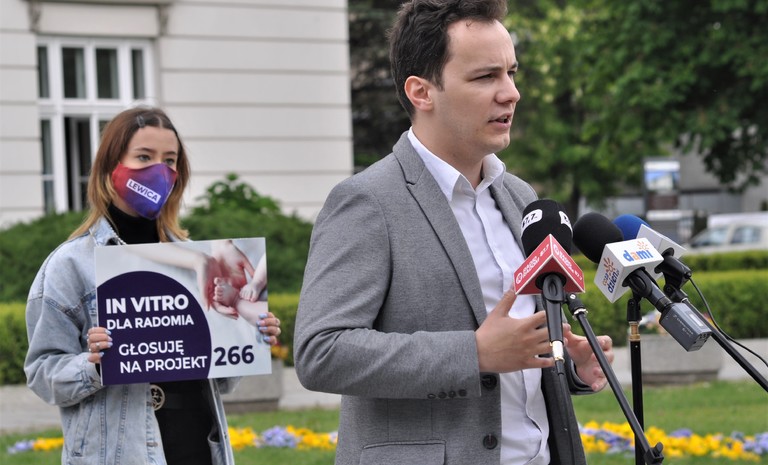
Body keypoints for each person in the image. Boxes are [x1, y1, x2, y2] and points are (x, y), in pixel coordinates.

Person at [293, 1, 614, 464]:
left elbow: (518, 361)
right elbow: (320, 352)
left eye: (511, 73)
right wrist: (474, 353)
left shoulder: (520, 196)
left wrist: (571, 365)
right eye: (486, 77)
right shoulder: (367, 201)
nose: (511, 93)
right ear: (422, 92)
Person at [24, 106, 282, 465]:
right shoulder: (70, 265)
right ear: (111, 165)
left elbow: (219, 380)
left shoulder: (199, 260)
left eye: (169, 160)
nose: (159, 171)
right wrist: (94, 365)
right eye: (144, 157)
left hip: (197, 447)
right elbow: (42, 373)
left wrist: (249, 334)